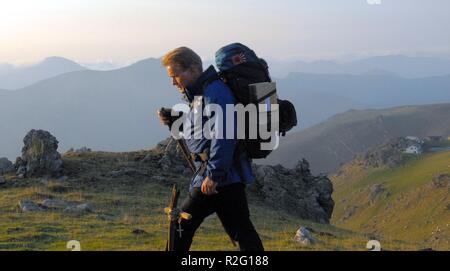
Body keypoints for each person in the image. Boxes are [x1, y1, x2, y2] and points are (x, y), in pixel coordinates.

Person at [158, 47, 264, 251]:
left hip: (216, 177)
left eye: (176, 75)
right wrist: (175, 120)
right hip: (223, 177)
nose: (173, 82)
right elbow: (202, 129)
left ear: (194, 69)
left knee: (181, 226)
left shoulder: (215, 92)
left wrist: (214, 174)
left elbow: (224, 134)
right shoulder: (201, 93)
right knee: (242, 231)